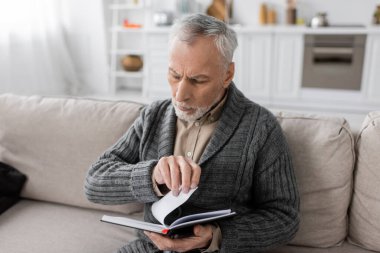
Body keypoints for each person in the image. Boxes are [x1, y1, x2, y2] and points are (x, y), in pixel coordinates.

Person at [85, 13, 299, 253]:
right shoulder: (153, 115)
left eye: (197, 80)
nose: (180, 94)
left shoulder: (261, 128)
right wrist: (152, 175)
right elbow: (94, 182)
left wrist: (216, 236)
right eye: (175, 76)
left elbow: (285, 217)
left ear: (227, 74)